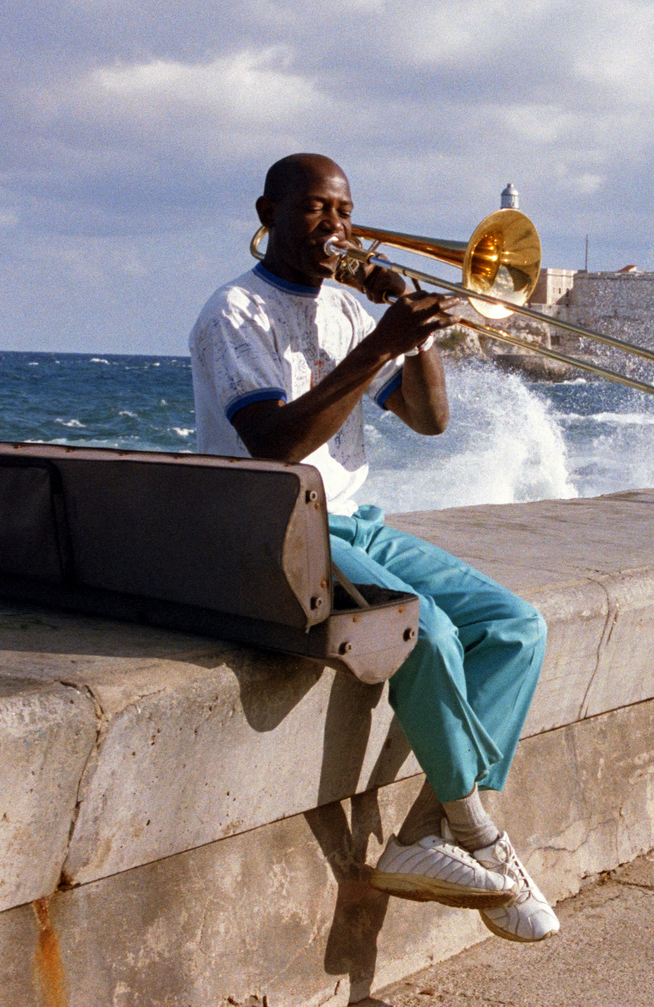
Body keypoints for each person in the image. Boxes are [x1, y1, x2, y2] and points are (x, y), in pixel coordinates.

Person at [189, 153, 558, 943]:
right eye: (317, 209)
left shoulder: (352, 314)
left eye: (345, 211)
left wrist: (415, 331)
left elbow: (430, 422)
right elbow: (272, 446)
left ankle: (427, 832)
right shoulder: (234, 313)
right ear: (270, 211)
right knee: (427, 626)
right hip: (275, 521)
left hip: (356, 522)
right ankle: (481, 836)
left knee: (518, 625)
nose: (337, 227)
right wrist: (372, 348)